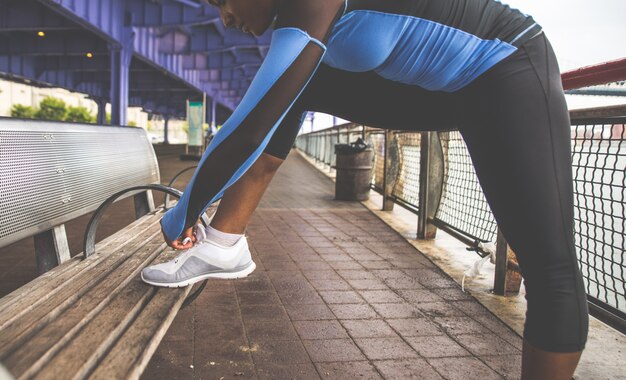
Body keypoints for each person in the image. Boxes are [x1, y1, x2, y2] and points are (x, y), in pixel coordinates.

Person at [141, 0, 589, 378]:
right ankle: (223, 243)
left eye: (222, 0)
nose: (224, 18)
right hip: (446, 90)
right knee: (291, 89)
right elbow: (259, 120)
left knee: (550, 271)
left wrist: (181, 213)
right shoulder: (295, 25)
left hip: (509, 66)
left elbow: (246, 129)